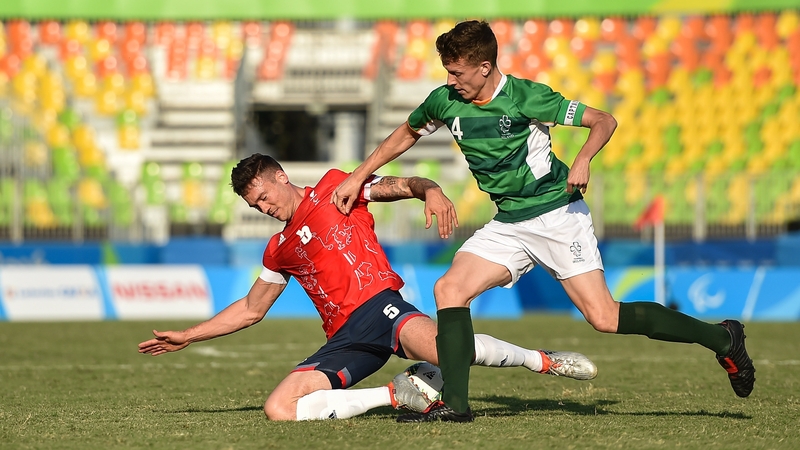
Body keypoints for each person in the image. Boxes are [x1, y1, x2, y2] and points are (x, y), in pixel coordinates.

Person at [331, 20, 755, 423]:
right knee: (450, 288)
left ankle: (722, 338)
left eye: (458, 72)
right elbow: (407, 132)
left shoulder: (526, 97)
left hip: (557, 216)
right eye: (447, 71)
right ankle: (456, 405)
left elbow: (603, 120)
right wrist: (357, 175)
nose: (451, 80)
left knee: (604, 317)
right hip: (509, 222)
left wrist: (584, 158)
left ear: (485, 66)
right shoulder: (445, 101)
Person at [138, 153, 598, 422]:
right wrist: (189, 335)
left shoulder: (336, 189)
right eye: (254, 204)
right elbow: (252, 309)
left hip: (380, 308)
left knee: (447, 352)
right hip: (344, 340)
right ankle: (397, 394)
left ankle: (544, 361)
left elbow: (401, 185)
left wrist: (429, 189)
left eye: (263, 196)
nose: (263, 207)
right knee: (279, 408)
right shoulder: (277, 248)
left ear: (281, 176)